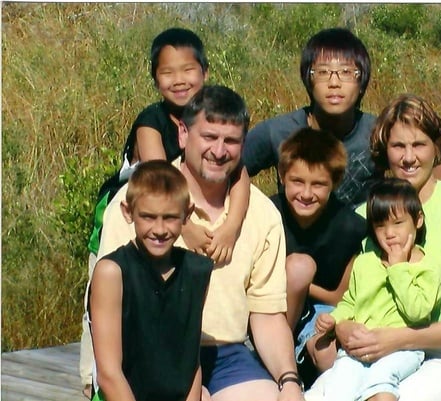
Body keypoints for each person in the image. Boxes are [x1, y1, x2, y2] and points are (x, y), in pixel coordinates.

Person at [96, 85, 304, 401]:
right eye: (209, 137)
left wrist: (289, 381)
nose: (219, 151)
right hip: (147, 354)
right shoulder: (139, 205)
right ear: (183, 133)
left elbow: (267, 313)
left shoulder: (262, 214)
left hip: (225, 353)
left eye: (231, 141)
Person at [81, 28, 250, 396]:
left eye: (187, 69)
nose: (179, 80)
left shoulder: (212, 115)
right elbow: (158, 178)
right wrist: (184, 226)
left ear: (205, 71)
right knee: (107, 291)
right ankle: (90, 375)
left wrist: (232, 225)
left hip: (164, 208)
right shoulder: (151, 119)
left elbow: (241, 173)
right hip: (135, 200)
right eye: (167, 72)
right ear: (154, 78)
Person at [309, 93, 441, 401]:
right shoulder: (365, 217)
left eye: (419, 145)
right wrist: (342, 329)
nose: (409, 158)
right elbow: (345, 298)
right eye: (398, 146)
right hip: (373, 353)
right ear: (385, 151)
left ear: (436, 149)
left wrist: (402, 339)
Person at [242, 27, 441, 211]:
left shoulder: (378, 131)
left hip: (364, 246)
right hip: (294, 246)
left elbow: (435, 172)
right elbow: (228, 171)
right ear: (308, 79)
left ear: (362, 82)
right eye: (322, 72)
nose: (334, 82)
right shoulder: (277, 131)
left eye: (347, 72)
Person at [303, 178, 441, 401]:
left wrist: (398, 268)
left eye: (398, 223)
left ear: (418, 221)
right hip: (359, 347)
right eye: (380, 226)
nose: (389, 233)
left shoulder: (427, 268)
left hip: (401, 349)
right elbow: (351, 301)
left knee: (380, 382)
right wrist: (334, 319)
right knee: (339, 386)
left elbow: (417, 311)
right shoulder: (366, 262)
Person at [88, 160, 213, 401]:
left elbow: (191, 360)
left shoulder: (198, 271)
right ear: (128, 212)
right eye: (147, 217)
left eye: (170, 217)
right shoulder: (112, 273)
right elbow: (109, 374)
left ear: (187, 215)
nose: (159, 229)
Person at [269, 127, 367, 385]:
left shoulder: (351, 227)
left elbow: (340, 295)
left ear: (334, 182)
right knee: (299, 267)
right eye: (297, 182)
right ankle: (276, 355)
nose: (306, 193)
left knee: (329, 355)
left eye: (319, 184)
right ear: (282, 176)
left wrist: (300, 285)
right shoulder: (267, 214)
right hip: (270, 309)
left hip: (323, 314)